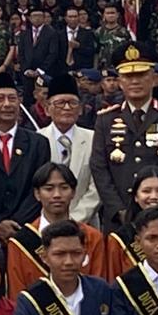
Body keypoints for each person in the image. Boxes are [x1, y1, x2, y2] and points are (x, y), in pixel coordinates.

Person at [90, 43, 158, 229]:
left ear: (154, 78)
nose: (134, 81)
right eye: (128, 76)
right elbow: (99, 168)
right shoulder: (105, 120)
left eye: (141, 75)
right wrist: (119, 210)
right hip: (119, 220)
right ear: (120, 81)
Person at [0, 72, 51, 236]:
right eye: (0, 99)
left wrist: (17, 224)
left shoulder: (38, 143)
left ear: (20, 102)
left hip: (26, 229)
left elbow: (39, 188)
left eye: (12, 99)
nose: (7, 104)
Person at [6, 162, 106, 293]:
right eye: (49, 189)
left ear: (73, 193)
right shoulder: (19, 243)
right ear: (37, 194)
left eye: (64, 188)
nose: (57, 194)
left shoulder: (92, 237)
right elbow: (16, 294)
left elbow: (99, 289)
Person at [36, 74, 101, 224]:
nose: (66, 108)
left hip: (86, 224)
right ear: (47, 109)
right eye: (60, 103)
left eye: (72, 103)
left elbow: (97, 186)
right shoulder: (37, 140)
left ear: (80, 109)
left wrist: (74, 219)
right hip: (45, 225)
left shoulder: (94, 139)